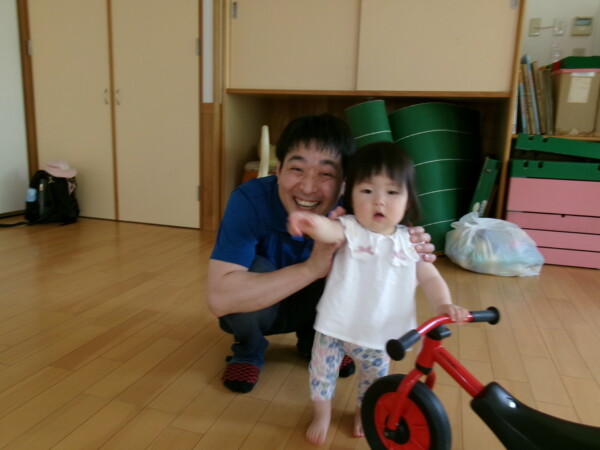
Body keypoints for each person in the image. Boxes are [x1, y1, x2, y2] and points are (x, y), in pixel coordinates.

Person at [207, 114, 437, 394]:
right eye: (297, 169)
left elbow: (388, 265)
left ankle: (318, 341)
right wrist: (312, 268)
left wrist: (410, 244)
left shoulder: (358, 208)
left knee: (353, 264)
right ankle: (248, 350)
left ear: (344, 183)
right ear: (278, 170)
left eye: (326, 174)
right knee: (253, 270)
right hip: (262, 307)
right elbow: (220, 299)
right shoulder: (248, 200)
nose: (307, 187)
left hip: (318, 307)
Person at [287, 141, 469, 445]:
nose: (379, 201)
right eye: (367, 190)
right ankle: (322, 414)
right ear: (350, 195)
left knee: (373, 382)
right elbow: (328, 231)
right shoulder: (349, 228)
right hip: (335, 327)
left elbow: (431, 277)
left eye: (392, 192)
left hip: (380, 335)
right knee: (321, 376)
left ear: (408, 200)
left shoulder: (411, 242)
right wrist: (309, 222)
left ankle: (365, 411)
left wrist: (444, 304)